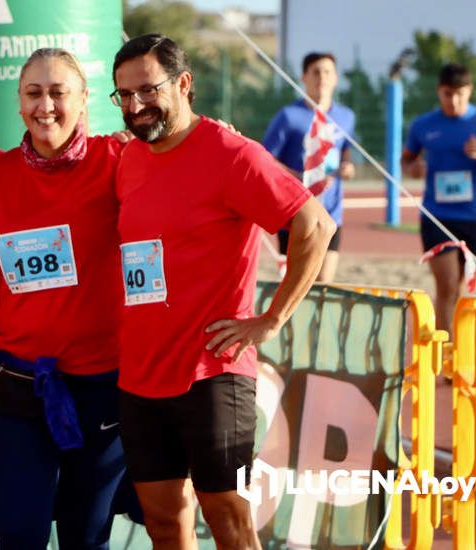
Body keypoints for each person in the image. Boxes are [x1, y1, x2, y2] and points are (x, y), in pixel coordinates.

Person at [111, 34, 336, 549]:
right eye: (123, 95)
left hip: (212, 370)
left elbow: (315, 227)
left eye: (147, 90)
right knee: (163, 520)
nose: (135, 105)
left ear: (184, 84)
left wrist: (272, 318)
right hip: (142, 374)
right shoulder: (128, 160)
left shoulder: (231, 154)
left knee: (228, 517)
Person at [0, 48, 138, 549]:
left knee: (86, 538)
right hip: (17, 386)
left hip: (101, 390)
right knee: (20, 538)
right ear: (19, 104)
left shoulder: (122, 161)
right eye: (33, 93)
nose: (45, 106)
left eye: (58, 92)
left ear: (85, 100)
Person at [402, 62, 476, 333]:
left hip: (472, 217)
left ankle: (458, 346)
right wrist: (413, 169)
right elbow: (406, 160)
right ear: (438, 92)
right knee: (447, 283)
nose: (453, 101)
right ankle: (447, 354)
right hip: (435, 215)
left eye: (460, 94)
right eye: (447, 94)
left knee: (460, 287)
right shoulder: (423, 125)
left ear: (470, 91)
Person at [263, 51, 355, 283]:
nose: (321, 77)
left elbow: (346, 151)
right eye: (315, 72)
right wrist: (297, 175)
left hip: (331, 210)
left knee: (324, 281)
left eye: (327, 72)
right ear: (304, 77)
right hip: (296, 211)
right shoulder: (288, 116)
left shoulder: (346, 117)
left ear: (335, 78)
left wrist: (347, 167)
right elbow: (264, 158)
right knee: (297, 282)